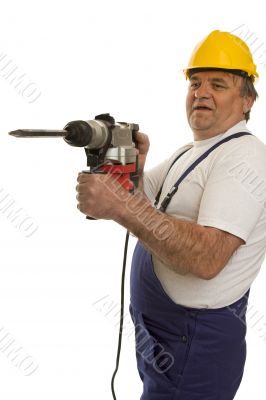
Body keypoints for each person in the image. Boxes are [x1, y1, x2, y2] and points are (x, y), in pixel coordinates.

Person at [76, 30, 266, 399]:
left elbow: (207, 258)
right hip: (162, 334)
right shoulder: (190, 152)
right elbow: (133, 201)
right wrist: (126, 167)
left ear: (247, 100)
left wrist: (121, 203)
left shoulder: (245, 158)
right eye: (195, 83)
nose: (201, 92)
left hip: (194, 343)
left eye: (218, 84)